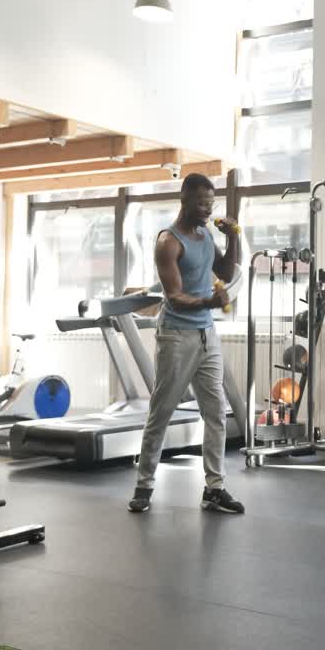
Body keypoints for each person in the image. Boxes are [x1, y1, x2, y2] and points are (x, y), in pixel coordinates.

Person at [127, 173, 245, 515]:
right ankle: (144, 485)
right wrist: (210, 302)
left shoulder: (206, 234)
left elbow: (223, 269)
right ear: (185, 200)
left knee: (216, 413)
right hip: (176, 336)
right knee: (161, 411)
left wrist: (233, 236)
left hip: (207, 335)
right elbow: (175, 297)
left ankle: (215, 487)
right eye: (201, 202)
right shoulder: (169, 241)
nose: (208, 208)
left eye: (211, 202)